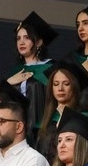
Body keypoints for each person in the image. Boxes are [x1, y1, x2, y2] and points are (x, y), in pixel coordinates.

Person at [4, 12, 58, 140]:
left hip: (41, 130)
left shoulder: (51, 68)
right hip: (17, 130)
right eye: (18, 38)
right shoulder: (15, 71)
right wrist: (9, 83)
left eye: (26, 38)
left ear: (39, 42)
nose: (21, 42)